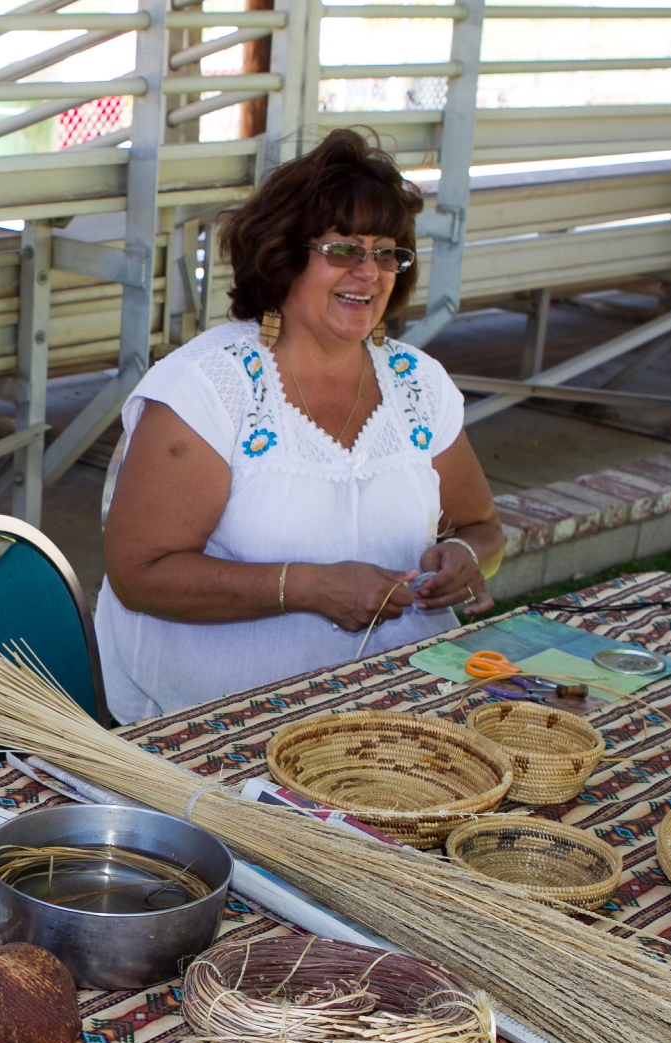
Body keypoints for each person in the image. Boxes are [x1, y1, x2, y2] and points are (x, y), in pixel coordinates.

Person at [96, 129, 504, 722]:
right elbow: (139, 575)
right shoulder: (210, 387)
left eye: (387, 251)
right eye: (343, 249)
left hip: (393, 706)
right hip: (218, 722)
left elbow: (483, 527)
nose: (370, 272)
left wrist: (465, 556)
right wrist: (307, 587)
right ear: (284, 256)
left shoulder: (419, 382)